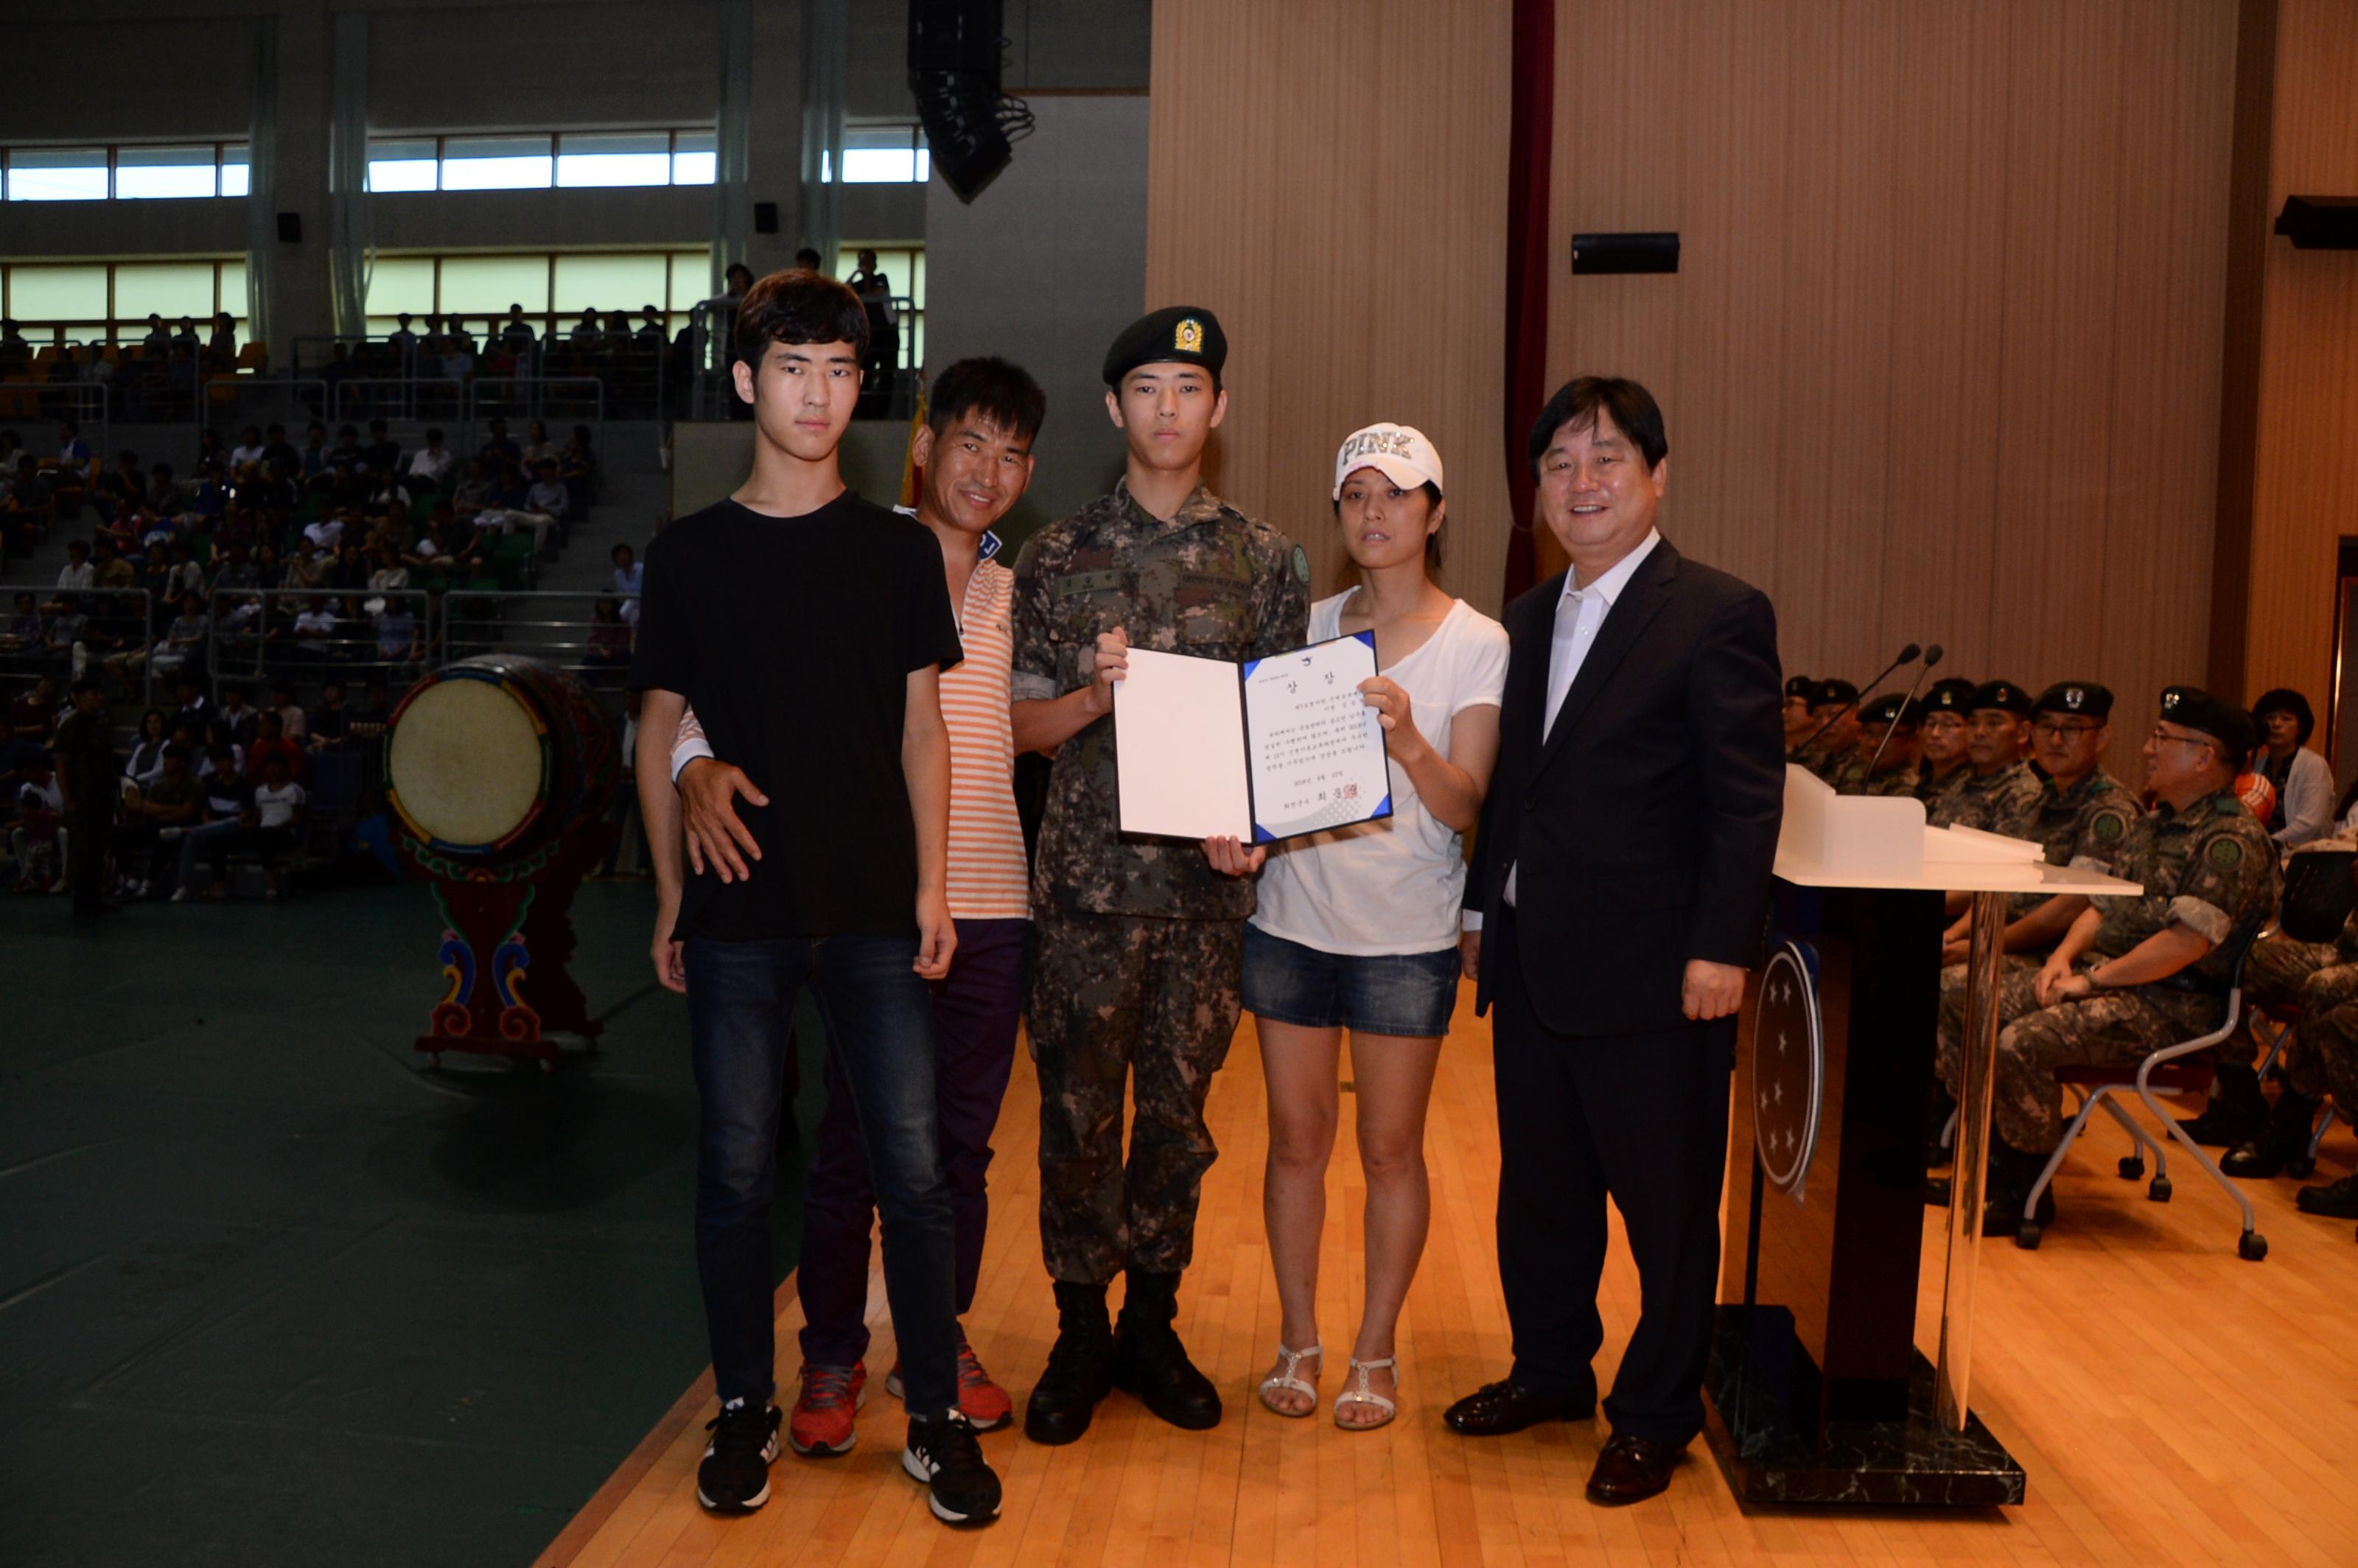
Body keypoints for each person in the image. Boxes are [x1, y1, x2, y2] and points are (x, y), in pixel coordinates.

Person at [627, 268, 998, 1527]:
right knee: (734, 1168)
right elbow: (660, 728)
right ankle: (745, 1403)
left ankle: (935, 1411)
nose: (819, 392)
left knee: (917, 1165)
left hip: (876, 912)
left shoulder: (897, 551)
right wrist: (673, 892)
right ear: (745, 381)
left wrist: (937, 884)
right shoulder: (688, 555)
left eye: (842, 369)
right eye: (794, 366)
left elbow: (924, 730)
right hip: (738, 911)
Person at [671, 354, 1050, 1453]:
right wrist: (695, 761)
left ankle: (941, 1337)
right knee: (855, 1146)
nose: (987, 470)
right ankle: (830, 1348)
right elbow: (702, 688)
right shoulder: (844, 551)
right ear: (923, 446)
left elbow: (995, 731)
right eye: (967, 442)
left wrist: (1093, 700)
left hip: (993, 900)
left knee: (958, 1155)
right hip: (869, 904)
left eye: (1013, 452)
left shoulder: (1011, 590)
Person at [1452, 375, 1784, 1507]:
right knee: (1539, 1197)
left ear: (1657, 477)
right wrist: (1478, 911)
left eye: (1606, 461)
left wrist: (1721, 949)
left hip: (1658, 978)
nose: (1581, 484)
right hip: (1535, 960)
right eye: (1559, 464)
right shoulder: (1532, 616)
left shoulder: (1718, 612)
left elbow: (1747, 802)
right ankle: (1550, 1372)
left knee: (1667, 1206)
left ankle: (1655, 1412)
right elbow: (1520, 793)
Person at [1007, 307, 1307, 1446]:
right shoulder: (1057, 555)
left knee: (1178, 1125)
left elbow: (1287, 735)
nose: (1167, 408)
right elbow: (1020, 732)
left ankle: (1153, 1323)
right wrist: (1092, 692)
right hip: (1085, 893)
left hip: (1204, 904)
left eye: (1189, 387)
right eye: (1146, 387)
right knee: (1078, 1120)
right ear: (1113, 408)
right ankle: (1081, 1330)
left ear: (1218, 407)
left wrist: (1262, 828)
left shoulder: (1266, 560)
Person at [1243, 424, 1505, 1431]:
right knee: (1296, 1143)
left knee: (1391, 1152)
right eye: (1355, 495)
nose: (1374, 513)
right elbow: (1266, 785)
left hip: (1406, 934)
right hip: (1292, 921)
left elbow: (1462, 803)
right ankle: (1300, 1340)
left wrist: (1405, 737)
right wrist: (1242, 831)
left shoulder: (1477, 640)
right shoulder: (1302, 630)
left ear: (1435, 512)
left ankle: (1376, 1350)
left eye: (1396, 495)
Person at [1927, 687, 2278, 1234]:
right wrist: (2061, 960)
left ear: (2205, 755)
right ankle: (1984, 1161)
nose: (2148, 749)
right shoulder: (2157, 824)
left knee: (2023, 1041)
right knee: (1961, 994)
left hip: (2174, 1003)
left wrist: (2090, 980)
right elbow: (2100, 903)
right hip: (2114, 982)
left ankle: (2024, 1188)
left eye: (2163, 739)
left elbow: (2184, 945)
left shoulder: (2229, 840)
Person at [52, 676, 122, 918]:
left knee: (98, 849)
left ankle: (94, 898)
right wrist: (68, 799)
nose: (99, 698)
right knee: (81, 851)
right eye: (94, 693)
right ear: (79, 697)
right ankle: (81, 902)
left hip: (101, 798)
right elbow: (60, 764)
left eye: (100, 693)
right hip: (81, 800)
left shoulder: (102, 723)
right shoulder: (70, 727)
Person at [1931, 679, 2039, 833]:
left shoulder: (2022, 793)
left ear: (2023, 732)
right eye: (1973, 723)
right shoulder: (1962, 782)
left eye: (1994, 723)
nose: (1979, 732)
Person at [2247, 689, 2332, 848]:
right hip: (2261, 853)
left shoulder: (2313, 765)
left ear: (2300, 727)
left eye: (2286, 719)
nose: (2276, 724)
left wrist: (2267, 842)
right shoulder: (2257, 765)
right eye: (2270, 718)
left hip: (2303, 858)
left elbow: (2310, 823)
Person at [1828, 692, 1921, 795]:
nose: (1873, 744)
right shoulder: (1851, 765)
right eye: (1868, 732)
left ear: (1912, 740)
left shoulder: (1909, 786)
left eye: (1885, 735)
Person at [1912, 676, 1979, 813]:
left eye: (1948, 725)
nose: (1935, 734)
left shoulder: (1974, 788)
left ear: (1971, 731)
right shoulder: (1923, 785)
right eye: (1930, 724)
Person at [1788, 678, 1856, 779]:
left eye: (1833, 714)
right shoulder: (1815, 760)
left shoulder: (1871, 758)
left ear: (1856, 713)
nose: (1825, 723)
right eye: (1818, 717)